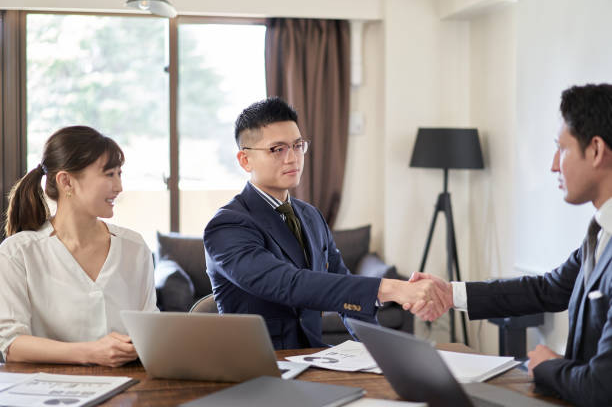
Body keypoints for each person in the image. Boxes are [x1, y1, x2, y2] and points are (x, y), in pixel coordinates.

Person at [408, 84, 612, 407]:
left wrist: (549, 366)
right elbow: (546, 289)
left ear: (597, 150)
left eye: (562, 148)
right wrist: (450, 294)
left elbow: (603, 388)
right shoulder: (600, 234)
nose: (554, 165)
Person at [204, 97, 438, 350]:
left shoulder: (311, 216)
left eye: (297, 145)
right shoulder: (228, 225)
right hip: (258, 366)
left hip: (313, 358)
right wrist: (389, 288)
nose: (293, 158)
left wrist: (383, 351)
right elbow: (289, 284)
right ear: (245, 160)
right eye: (277, 149)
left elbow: (343, 287)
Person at [0, 126, 157, 367]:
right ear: (66, 181)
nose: (119, 187)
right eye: (109, 175)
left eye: (119, 174)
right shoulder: (17, 253)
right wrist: (91, 352)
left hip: (128, 387)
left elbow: (151, 330)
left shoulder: (134, 247)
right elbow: (12, 345)